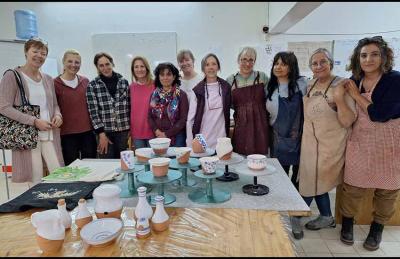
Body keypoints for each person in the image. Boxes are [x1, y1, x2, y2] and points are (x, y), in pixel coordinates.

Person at [339, 36, 400, 251]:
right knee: (352, 186)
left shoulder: (395, 80)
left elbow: (380, 114)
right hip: (360, 141)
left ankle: (377, 229)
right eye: (364, 55)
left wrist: (355, 95)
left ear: (384, 57)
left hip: (389, 143)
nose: (368, 59)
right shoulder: (354, 79)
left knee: (386, 190)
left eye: (374, 54)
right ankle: (347, 224)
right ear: (358, 58)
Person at [297, 48, 356, 238]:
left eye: (323, 62)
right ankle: (326, 216)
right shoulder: (310, 84)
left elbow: (348, 121)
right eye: (314, 63)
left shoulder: (342, 85)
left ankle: (296, 213)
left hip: (330, 143)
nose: (319, 66)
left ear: (331, 62)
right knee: (310, 178)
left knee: (318, 179)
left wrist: (338, 99)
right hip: (310, 141)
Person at [0, 38, 64, 185]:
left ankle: (59, 205)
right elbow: (3, 107)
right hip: (28, 134)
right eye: (35, 51)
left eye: (43, 53)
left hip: (49, 133)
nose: (39, 56)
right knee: (35, 178)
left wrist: (58, 115)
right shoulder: (12, 76)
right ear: (26, 52)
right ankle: (38, 208)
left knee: (59, 175)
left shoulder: (48, 79)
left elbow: (54, 104)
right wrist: (34, 121)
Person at [266, 51, 307, 189]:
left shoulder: (302, 84)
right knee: (279, 178)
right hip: (276, 140)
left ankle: (295, 209)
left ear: (292, 67)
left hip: (298, 140)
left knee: (297, 181)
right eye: (276, 64)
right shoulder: (269, 88)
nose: (278, 67)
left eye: (283, 64)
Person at [54, 49, 97, 165]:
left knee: (91, 165)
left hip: (87, 133)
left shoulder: (85, 81)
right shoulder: (55, 84)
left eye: (77, 62)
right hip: (67, 135)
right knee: (72, 168)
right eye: (70, 61)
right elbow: (54, 107)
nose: (73, 65)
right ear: (63, 62)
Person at [86, 52, 130, 159]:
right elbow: (93, 113)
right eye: (101, 65)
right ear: (97, 67)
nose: (105, 68)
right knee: (107, 164)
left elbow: (129, 106)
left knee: (123, 164)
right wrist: (101, 134)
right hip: (104, 132)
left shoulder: (124, 82)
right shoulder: (92, 86)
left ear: (112, 64)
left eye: (107, 64)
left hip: (122, 131)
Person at [227, 47, 269, 155]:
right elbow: (229, 104)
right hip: (241, 125)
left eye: (251, 60)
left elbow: (270, 101)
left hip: (260, 125)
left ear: (255, 61)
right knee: (241, 157)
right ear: (238, 60)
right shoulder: (230, 80)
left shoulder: (262, 77)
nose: (247, 63)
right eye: (244, 59)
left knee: (260, 158)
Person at [186, 53, 231, 149]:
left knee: (221, 163)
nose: (211, 67)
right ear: (203, 69)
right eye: (207, 65)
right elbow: (190, 121)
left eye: (214, 64)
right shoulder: (197, 91)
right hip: (202, 141)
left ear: (218, 67)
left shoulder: (226, 87)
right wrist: (190, 145)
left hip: (222, 141)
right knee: (204, 163)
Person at [148, 62, 189, 147]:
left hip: (177, 137)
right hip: (158, 136)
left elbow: (183, 119)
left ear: (174, 77)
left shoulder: (181, 95)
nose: (165, 77)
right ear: (158, 77)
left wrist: (166, 134)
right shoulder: (154, 95)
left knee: (176, 160)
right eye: (162, 75)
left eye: (168, 74)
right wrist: (157, 131)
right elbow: (150, 117)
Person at [129, 56, 155, 149]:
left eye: (142, 66)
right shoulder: (131, 87)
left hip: (153, 131)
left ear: (146, 68)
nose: (139, 69)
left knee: (155, 161)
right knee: (141, 161)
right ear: (133, 70)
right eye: (136, 67)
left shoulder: (155, 85)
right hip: (137, 132)